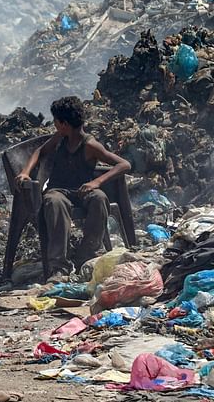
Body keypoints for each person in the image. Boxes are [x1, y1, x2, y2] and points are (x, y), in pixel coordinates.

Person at [16, 96, 131, 276]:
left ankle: (86, 255)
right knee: (53, 202)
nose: (54, 124)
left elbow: (124, 164)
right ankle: (58, 266)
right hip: (58, 190)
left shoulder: (90, 145)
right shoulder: (60, 138)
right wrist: (25, 172)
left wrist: (97, 182)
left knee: (100, 199)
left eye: (55, 121)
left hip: (82, 191)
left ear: (64, 124)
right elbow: (40, 151)